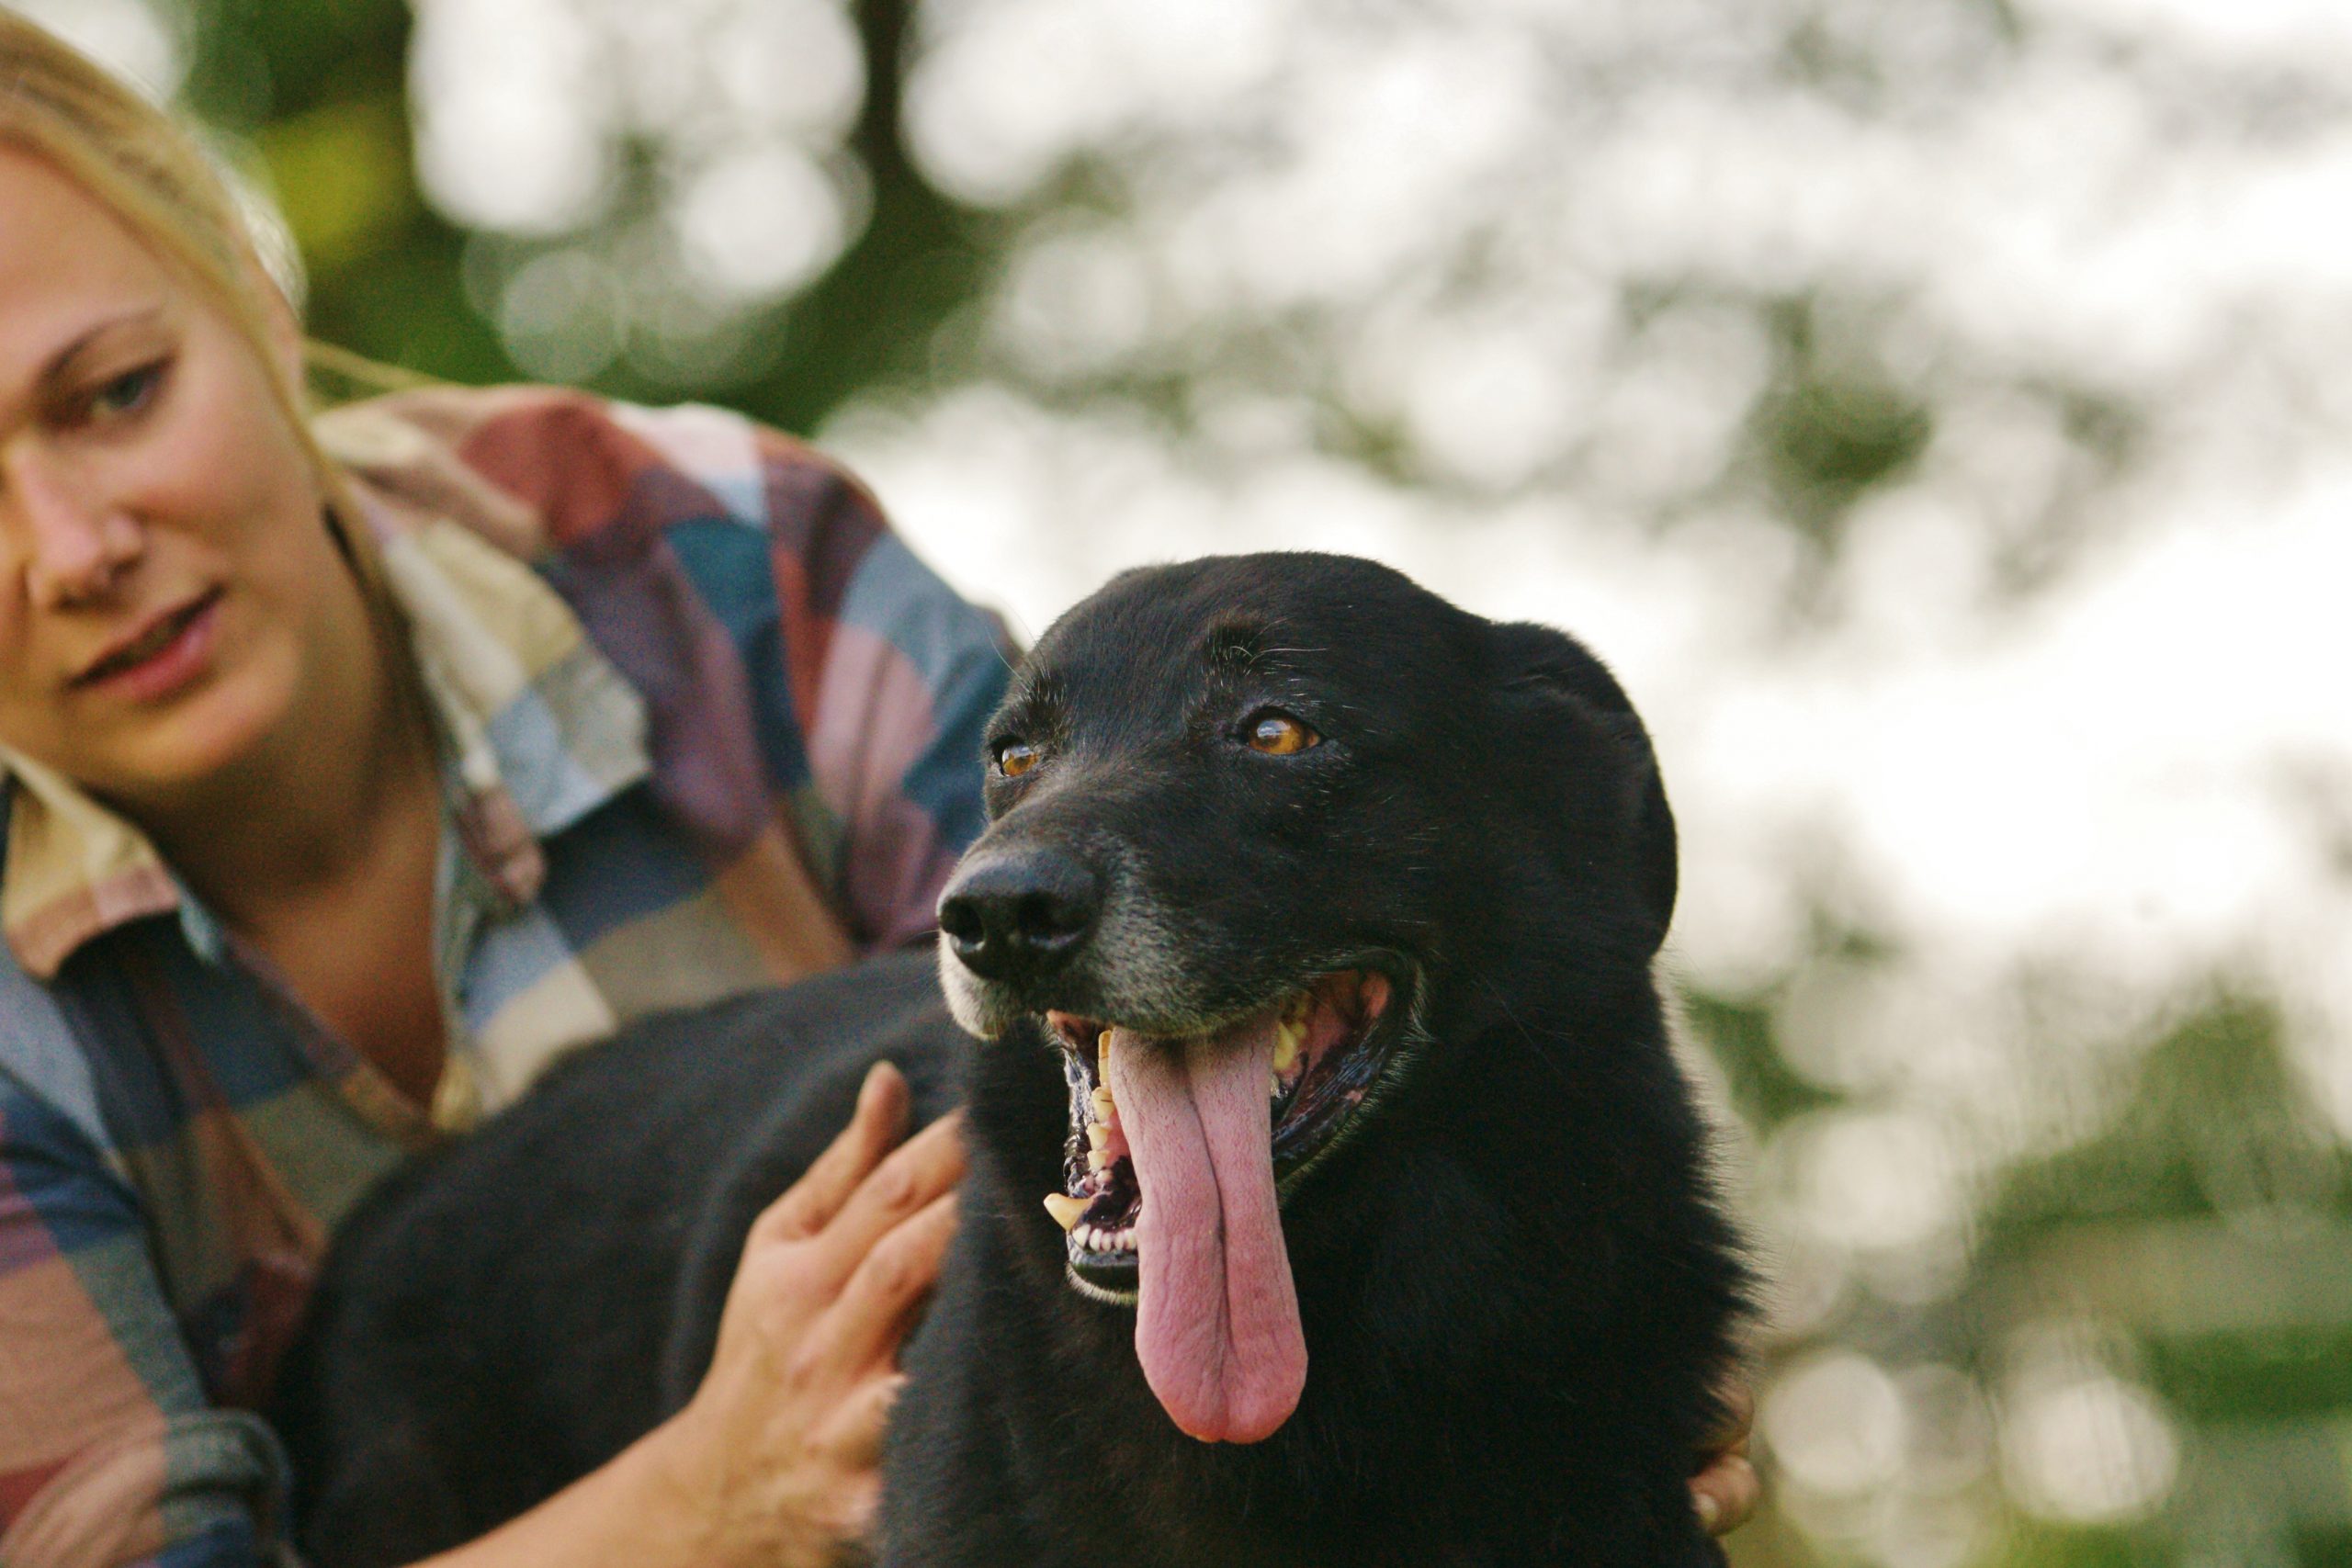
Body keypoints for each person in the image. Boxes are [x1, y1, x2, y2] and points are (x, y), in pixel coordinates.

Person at [0, 15, 1755, 1566]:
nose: (75, 552)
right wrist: (704, 1501)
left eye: (118, 393)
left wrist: (1583, 1292)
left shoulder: (710, 566)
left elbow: (1065, 985)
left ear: (247, 282)